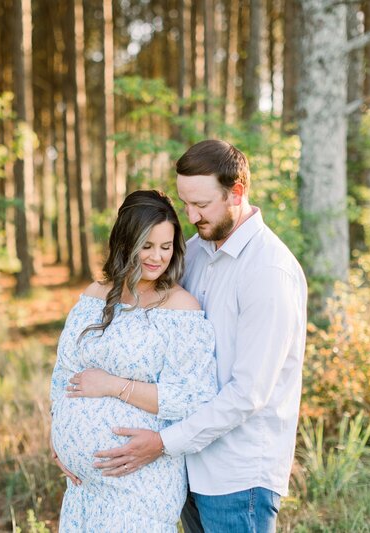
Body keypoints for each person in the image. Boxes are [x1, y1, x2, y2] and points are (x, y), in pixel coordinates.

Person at [76, 140, 308, 533]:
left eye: (202, 205)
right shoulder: (194, 253)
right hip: (185, 469)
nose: (192, 215)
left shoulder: (268, 271)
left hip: (237, 476)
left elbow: (248, 393)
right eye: (186, 204)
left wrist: (163, 442)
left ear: (236, 192)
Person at [49, 189, 218, 533]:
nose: (158, 257)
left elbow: (192, 397)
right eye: (147, 246)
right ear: (125, 243)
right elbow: (64, 372)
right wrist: (57, 437)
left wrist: (113, 386)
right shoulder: (95, 295)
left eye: (166, 247)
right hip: (83, 489)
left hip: (139, 482)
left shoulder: (180, 309)